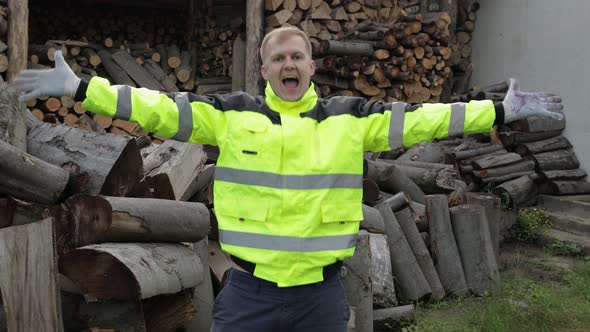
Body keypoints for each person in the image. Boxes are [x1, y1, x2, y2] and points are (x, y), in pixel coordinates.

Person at [13, 27, 563, 332]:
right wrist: (85, 88)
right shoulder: (232, 115)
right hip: (248, 292)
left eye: (297, 54)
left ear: (311, 66)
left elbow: (427, 117)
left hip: (320, 297)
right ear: (266, 70)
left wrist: (494, 111)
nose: (289, 63)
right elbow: (157, 107)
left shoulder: (352, 118)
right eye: (278, 57)